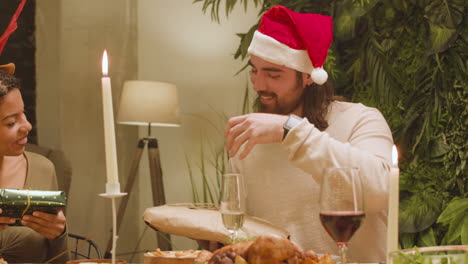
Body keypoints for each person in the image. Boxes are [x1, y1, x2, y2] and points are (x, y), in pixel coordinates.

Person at [224, 5, 393, 263]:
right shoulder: (250, 139)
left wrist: (290, 130)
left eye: (273, 74)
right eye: (254, 70)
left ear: (307, 77)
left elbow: (379, 192)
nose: (258, 85)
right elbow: (243, 233)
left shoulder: (361, 120)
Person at [0, 68, 69, 262]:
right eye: (11, 122)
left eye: (23, 113)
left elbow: (59, 260)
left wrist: (59, 234)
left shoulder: (42, 169)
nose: (27, 125)